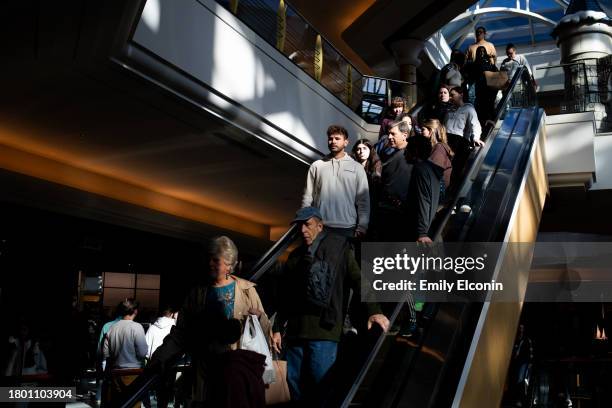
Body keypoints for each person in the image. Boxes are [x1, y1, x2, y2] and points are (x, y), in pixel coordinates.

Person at [271, 207, 389, 404]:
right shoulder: (295, 257)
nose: (303, 230)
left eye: (307, 225)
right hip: (295, 334)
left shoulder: (339, 250)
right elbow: (287, 297)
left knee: (321, 388)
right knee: (293, 388)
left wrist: (374, 311)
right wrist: (276, 328)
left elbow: (360, 281)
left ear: (320, 225)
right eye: (299, 226)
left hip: (324, 333)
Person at [147, 236, 270, 405]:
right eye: (208, 258)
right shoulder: (197, 293)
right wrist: (160, 356)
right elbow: (181, 333)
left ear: (229, 264)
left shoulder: (247, 291)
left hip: (237, 373)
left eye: (215, 259)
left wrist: (261, 318)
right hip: (206, 374)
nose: (210, 263)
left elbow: (264, 330)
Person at [301, 125, 370, 238]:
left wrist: (363, 225)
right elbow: (308, 196)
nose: (333, 141)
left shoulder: (357, 168)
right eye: (330, 138)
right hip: (319, 226)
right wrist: (305, 219)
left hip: (347, 227)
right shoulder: (317, 166)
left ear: (346, 142)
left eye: (337, 139)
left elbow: (363, 200)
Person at [103, 298, 148, 407]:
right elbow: (143, 353)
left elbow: (105, 353)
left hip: (116, 373)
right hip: (133, 373)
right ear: (135, 311)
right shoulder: (137, 327)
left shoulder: (112, 328)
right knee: (133, 403)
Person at [375, 120, 414, 241]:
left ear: (405, 135)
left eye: (393, 134)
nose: (389, 137)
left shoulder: (409, 156)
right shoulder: (394, 153)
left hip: (394, 213)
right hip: (386, 209)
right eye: (388, 133)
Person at [444, 86, 483, 191]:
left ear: (461, 95)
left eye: (453, 95)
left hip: (459, 141)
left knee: (455, 168)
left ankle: (451, 189)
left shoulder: (468, 109)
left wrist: (476, 138)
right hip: (446, 140)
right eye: (450, 95)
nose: (450, 98)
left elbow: (475, 124)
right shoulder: (449, 110)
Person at [471, 46, 499, 126]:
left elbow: (495, 71)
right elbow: (473, 75)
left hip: (489, 87)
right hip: (480, 87)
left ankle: (490, 119)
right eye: (480, 51)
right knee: (481, 104)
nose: (482, 53)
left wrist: (492, 62)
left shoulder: (488, 62)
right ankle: (484, 121)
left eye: (483, 51)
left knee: (489, 103)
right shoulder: (475, 64)